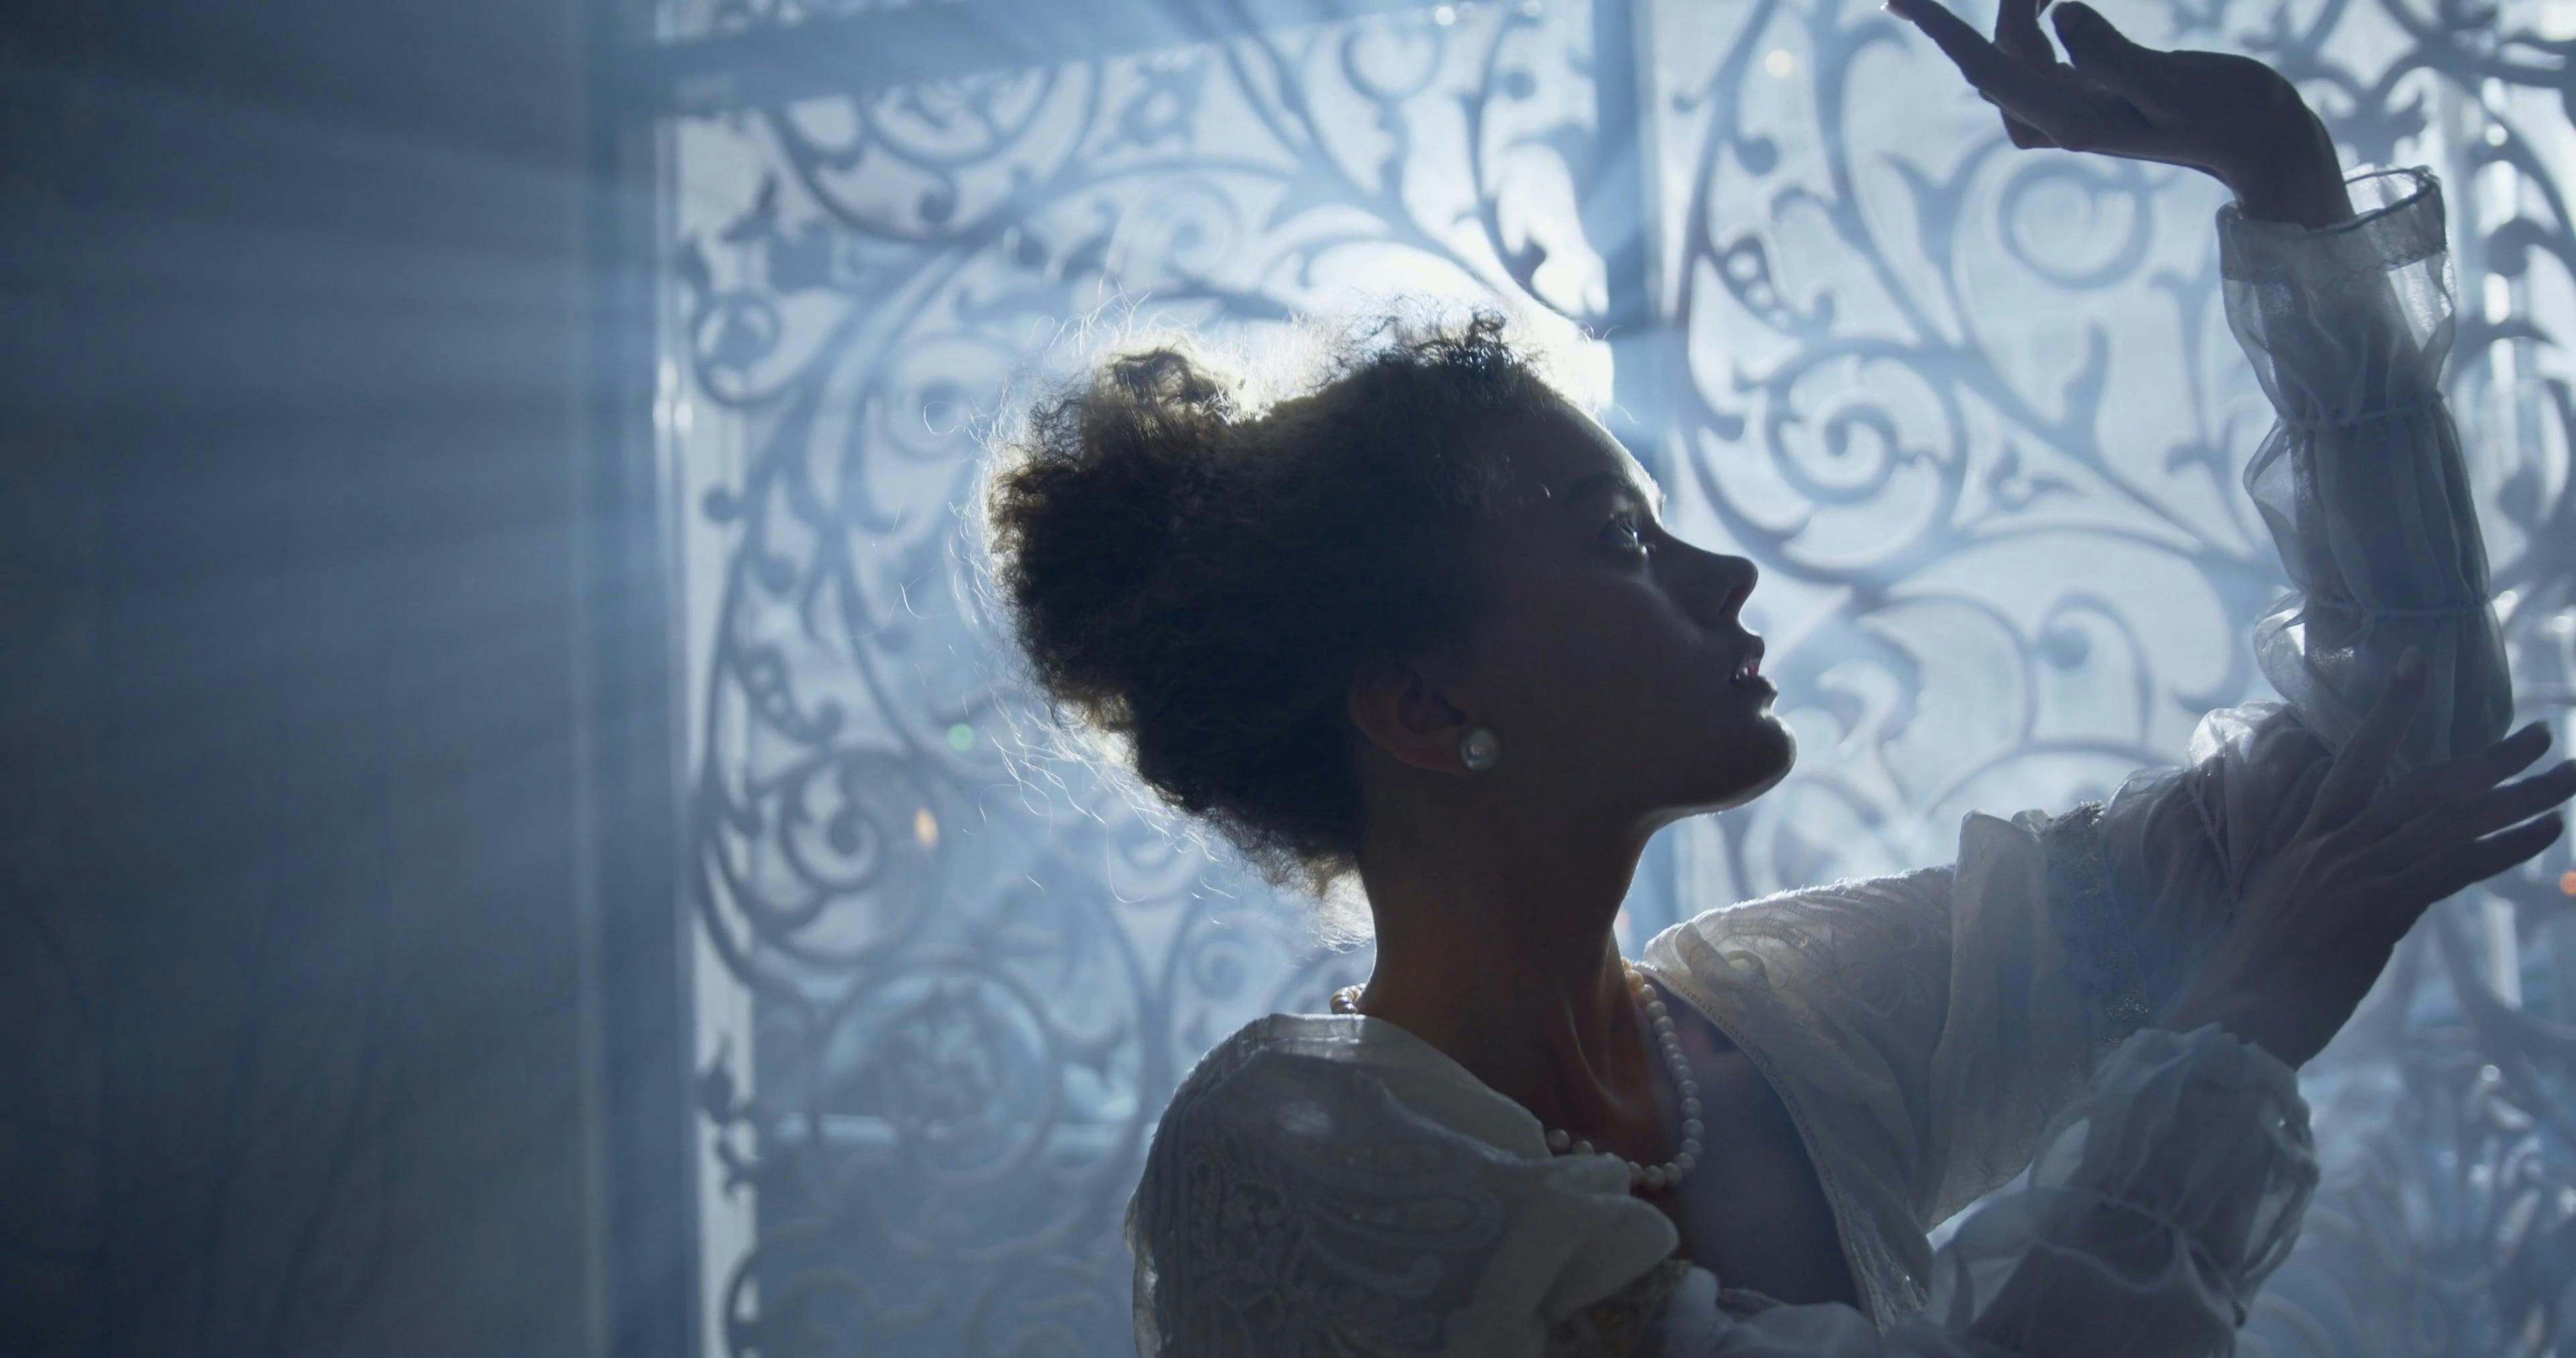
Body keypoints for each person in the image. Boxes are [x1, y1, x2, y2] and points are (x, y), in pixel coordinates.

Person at [975, 1, 2576, 1352]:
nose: (1727, 576)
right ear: (1423, 704)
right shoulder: (1291, 1151)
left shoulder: (1785, 1022)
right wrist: (2239, 1026)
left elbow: (2401, 751)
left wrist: (2284, 186)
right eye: (1619, 537)